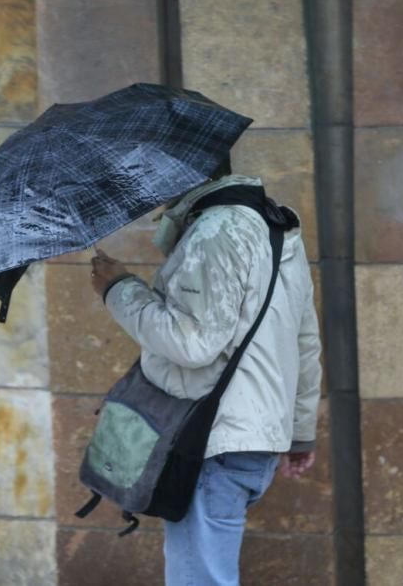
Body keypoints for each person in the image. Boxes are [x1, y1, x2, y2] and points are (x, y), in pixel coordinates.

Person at [89, 173, 322, 586]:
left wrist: (119, 290)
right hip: (247, 441)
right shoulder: (275, 226)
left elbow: (192, 344)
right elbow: (304, 341)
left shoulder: (215, 231)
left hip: (214, 443)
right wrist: (300, 432)